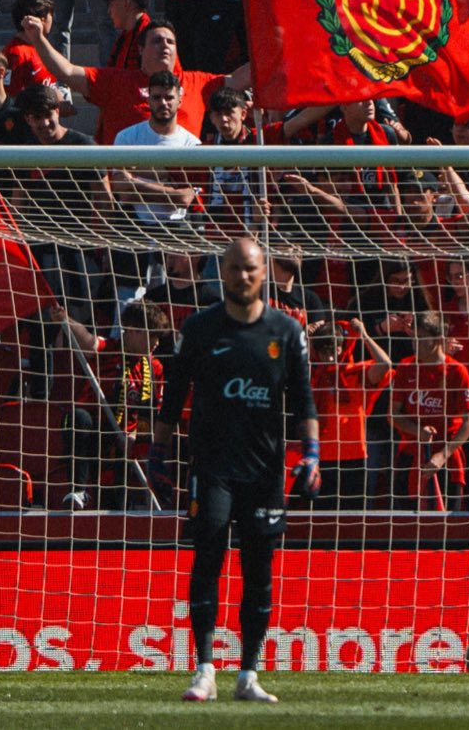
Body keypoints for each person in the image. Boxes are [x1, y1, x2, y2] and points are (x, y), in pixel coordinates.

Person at [148, 235, 317, 704]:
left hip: (265, 472)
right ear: (221, 272)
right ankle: (204, 669)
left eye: (251, 269)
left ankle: (248, 673)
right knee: (208, 559)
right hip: (212, 467)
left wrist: (312, 453)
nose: (243, 276)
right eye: (235, 268)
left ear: (264, 273)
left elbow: (303, 398)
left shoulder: (286, 331)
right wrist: (158, 453)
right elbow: (174, 393)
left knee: (259, 571)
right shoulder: (200, 328)